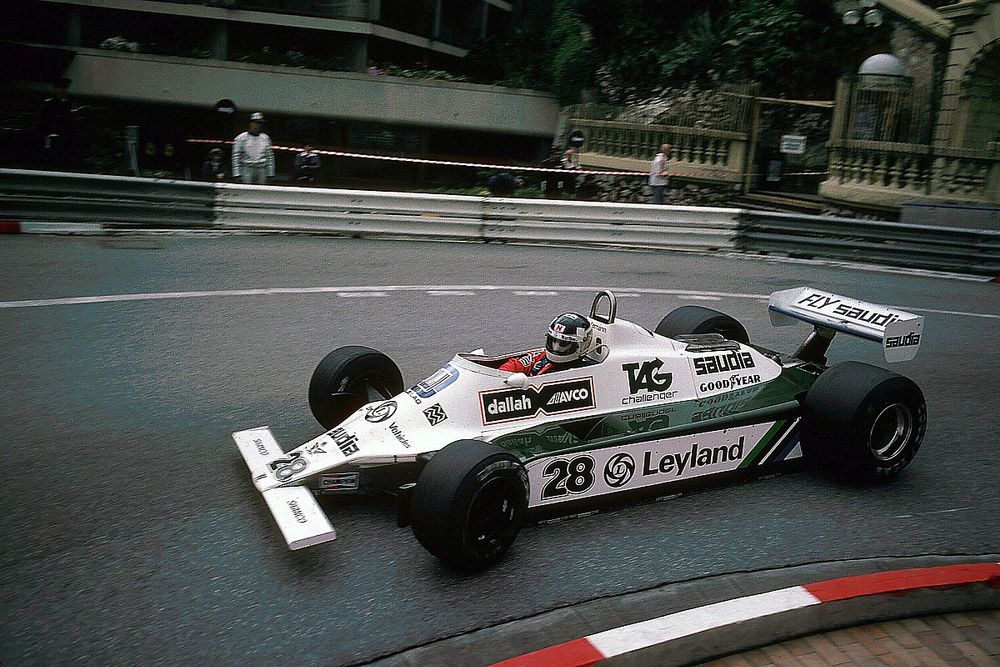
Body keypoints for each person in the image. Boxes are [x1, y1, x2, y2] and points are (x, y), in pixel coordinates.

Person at [499, 313, 595, 376]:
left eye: (563, 345)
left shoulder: (585, 372)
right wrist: (501, 376)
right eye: (553, 342)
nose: (556, 347)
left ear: (581, 346)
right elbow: (516, 364)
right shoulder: (542, 357)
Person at [39, 77, 74, 168]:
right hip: (50, 136)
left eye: (64, 88)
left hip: (65, 137)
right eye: (59, 87)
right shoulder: (48, 104)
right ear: (55, 89)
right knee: (49, 157)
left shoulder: (70, 104)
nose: (62, 90)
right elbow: (43, 121)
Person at [232, 112, 274, 184]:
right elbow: (236, 156)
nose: (258, 125)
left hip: (262, 169)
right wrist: (237, 173)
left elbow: (270, 156)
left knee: (261, 191)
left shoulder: (265, 138)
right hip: (247, 168)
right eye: (256, 122)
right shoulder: (241, 138)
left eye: (260, 123)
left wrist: (270, 173)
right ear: (250, 123)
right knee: (246, 190)